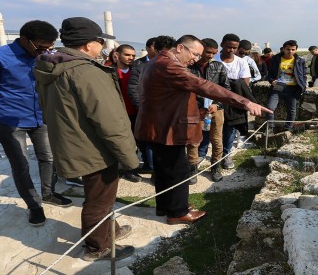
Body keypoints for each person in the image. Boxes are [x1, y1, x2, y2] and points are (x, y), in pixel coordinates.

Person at [134, 35, 270, 225]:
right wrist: (244, 101)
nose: (196, 59)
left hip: (157, 125)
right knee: (178, 170)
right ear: (180, 48)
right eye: (195, 54)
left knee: (165, 170)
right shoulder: (169, 65)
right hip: (166, 127)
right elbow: (202, 85)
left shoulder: (156, 61)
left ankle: (167, 206)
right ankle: (178, 212)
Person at [34, 17, 140, 262]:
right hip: (94, 148)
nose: (102, 46)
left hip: (73, 142)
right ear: (86, 44)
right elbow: (109, 120)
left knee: (102, 196)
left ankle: (109, 231)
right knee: (99, 200)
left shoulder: (50, 65)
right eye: (99, 41)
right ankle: (97, 247)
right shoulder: (85, 71)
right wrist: (129, 156)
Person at [0, 20, 72, 228]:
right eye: (41, 47)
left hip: (41, 117)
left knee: (49, 157)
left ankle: (48, 193)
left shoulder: (44, 56)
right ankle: (34, 205)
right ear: (25, 40)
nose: (45, 52)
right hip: (11, 122)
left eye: (49, 47)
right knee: (21, 165)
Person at [186, 38, 230, 182]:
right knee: (193, 140)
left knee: (217, 139)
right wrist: (198, 106)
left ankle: (215, 167)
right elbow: (186, 89)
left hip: (216, 109)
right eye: (208, 52)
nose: (210, 55)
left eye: (213, 53)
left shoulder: (219, 66)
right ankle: (192, 168)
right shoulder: (189, 67)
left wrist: (217, 104)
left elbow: (225, 89)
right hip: (195, 109)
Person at [213, 33, 252, 168]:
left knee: (229, 129)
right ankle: (210, 156)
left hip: (233, 101)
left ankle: (226, 155)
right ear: (222, 44)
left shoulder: (241, 62)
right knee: (212, 129)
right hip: (215, 99)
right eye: (228, 47)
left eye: (234, 48)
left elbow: (245, 83)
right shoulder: (214, 60)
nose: (231, 50)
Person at [113, 44, 144, 183]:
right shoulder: (109, 72)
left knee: (133, 143)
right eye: (127, 55)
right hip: (117, 114)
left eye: (133, 55)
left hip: (135, 112)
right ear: (117, 55)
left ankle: (130, 170)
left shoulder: (136, 72)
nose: (131, 58)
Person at [127, 37, 159, 173]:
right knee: (146, 140)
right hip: (142, 109)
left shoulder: (163, 64)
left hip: (160, 110)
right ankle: (150, 167)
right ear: (147, 48)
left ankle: (153, 167)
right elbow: (133, 89)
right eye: (155, 47)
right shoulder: (137, 65)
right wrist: (142, 107)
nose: (158, 50)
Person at [266, 40, 307, 132]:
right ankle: (270, 129)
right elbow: (270, 74)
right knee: (270, 108)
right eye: (288, 49)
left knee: (292, 110)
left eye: (293, 49)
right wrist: (272, 81)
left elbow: (303, 75)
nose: (290, 51)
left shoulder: (300, 61)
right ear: (283, 49)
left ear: (296, 50)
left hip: (293, 88)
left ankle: (288, 129)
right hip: (279, 86)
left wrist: (303, 86)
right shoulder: (275, 59)